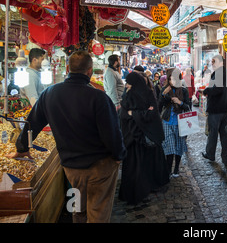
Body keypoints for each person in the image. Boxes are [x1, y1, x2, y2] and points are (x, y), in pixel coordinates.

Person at [7, 51, 126, 223]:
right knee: (98, 212)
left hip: (72, 170)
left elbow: (32, 123)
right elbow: (112, 133)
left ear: (68, 68)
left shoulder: (49, 94)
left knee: (77, 210)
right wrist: (119, 155)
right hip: (100, 168)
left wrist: (22, 148)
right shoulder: (99, 98)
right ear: (90, 71)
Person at [118, 71, 169, 205]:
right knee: (143, 165)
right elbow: (147, 113)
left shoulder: (137, 94)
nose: (127, 85)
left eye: (129, 83)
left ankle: (140, 190)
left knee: (137, 166)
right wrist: (140, 113)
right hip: (140, 137)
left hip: (138, 137)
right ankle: (145, 188)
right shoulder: (142, 93)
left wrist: (133, 114)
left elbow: (149, 113)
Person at [201, 55, 227, 169]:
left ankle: (210, 155)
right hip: (226, 110)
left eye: (213, 62)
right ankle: (226, 161)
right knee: (225, 136)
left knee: (213, 134)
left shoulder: (219, 73)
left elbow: (218, 89)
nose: (212, 64)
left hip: (216, 110)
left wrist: (206, 90)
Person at [159, 68, 191, 177]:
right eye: (171, 78)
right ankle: (168, 170)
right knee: (169, 147)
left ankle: (176, 168)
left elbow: (188, 107)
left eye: (175, 78)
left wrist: (180, 102)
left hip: (180, 122)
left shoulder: (184, 91)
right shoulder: (165, 89)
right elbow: (160, 105)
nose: (173, 80)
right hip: (167, 121)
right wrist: (163, 95)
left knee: (178, 147)